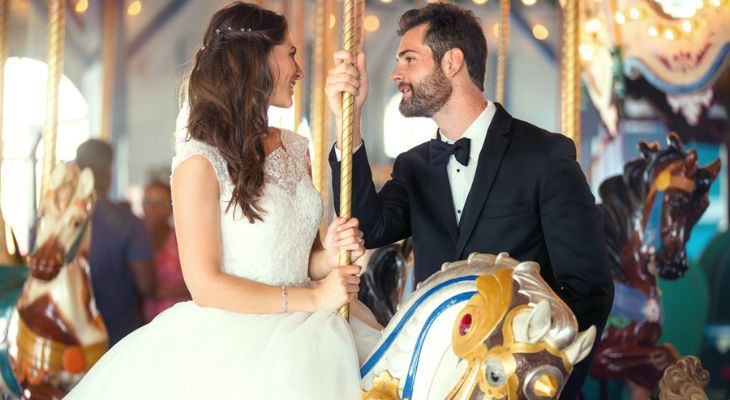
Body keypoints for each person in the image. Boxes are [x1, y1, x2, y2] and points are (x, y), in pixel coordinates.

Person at [68, 3, 379, 399]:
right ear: (257, 58)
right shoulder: (198, 162)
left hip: (313, 324)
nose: (300, 71)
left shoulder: (297, 149)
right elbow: (205, 285)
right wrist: (315, 297)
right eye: (291, 54)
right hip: (242, 339)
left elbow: (302, 256)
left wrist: (330, 254)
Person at [326, 3, 614, 398]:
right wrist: (349, 124)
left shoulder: (544, 156)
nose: (396, 74)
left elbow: (589, 286)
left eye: (409, 59)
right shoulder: (414, 166)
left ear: (452, 62)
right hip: (441, 385)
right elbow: (368, 226)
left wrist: (546, 381)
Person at [75, 139, 157, 346]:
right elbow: (147, 286)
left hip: (69, 337)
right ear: (109, 172)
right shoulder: (128, 223)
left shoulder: (51, 220)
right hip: (118, 336)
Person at [141, 180, 191, 322]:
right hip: (142, 323)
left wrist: (153, 291)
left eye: (159, 203)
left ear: (171, 207)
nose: (151, 208)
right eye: (147, 201)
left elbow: (197, 282)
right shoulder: (135, 240)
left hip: (177, 319)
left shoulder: (180, 238)